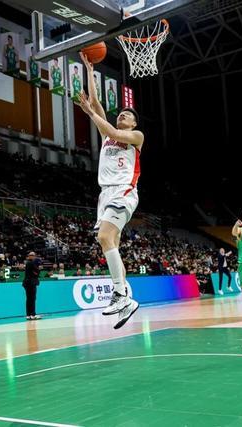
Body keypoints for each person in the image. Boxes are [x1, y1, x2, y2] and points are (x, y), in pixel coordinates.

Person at [76, 51, 143, 329]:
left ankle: (120, 294)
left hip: (123, 190)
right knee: (109, 243)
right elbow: (95, 104)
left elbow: (111, 130)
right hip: (105, 194)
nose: (122, 115)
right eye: (121, 114)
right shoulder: (107, 134)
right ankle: (126, 298)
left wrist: (91, 114)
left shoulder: (136, 137)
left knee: (105, 236)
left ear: (134, 124)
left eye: (127, 115)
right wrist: (89, 71)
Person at [22, 252, 41, 320]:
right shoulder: (31, 263)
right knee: (32, 299)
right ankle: (33, 314)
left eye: (34, 255)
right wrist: (38, 269)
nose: (33, 256)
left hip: (27, 283)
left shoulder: (28, 263)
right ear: (30, 256)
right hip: (31, 283)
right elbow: (37, 272)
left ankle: (28, 315)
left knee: (29, 299)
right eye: (32, 255)